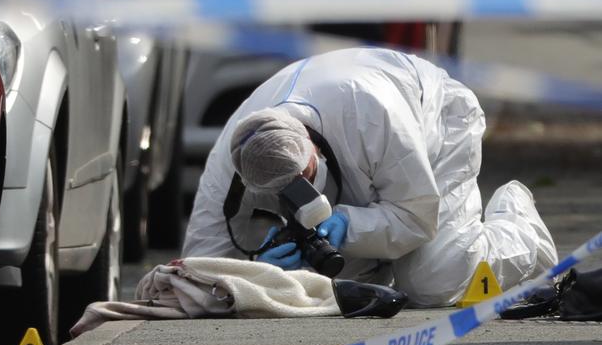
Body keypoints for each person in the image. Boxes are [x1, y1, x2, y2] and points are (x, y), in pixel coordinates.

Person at [182, 47, 558, 307]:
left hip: (435, 118)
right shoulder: (230, 162)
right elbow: (200, 266)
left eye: (301, 183)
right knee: (341, 280)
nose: (295, 200)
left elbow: (415, 217)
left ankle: (522, 227)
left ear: (310, 147)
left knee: (436, 280)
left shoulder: (372, 115)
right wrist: (260, 271)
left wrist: (349, 222)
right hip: (360, 135)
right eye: (279, 195)